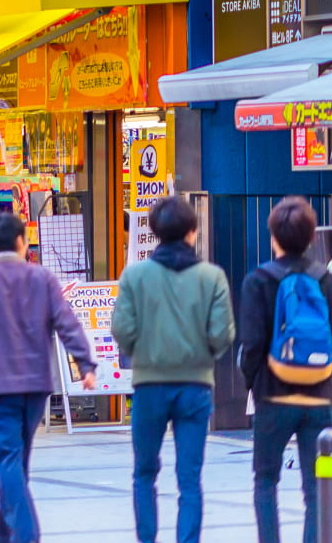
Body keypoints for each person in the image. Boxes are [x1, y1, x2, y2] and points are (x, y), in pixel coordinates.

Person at [0, 213, 97, 543]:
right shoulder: (41, 277)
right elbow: (67, 323)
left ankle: (25, 534)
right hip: (36, 384)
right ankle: (4, 530)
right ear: (20, 242)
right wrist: (85, 364)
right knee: (17, 457)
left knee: (9, 456)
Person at [112, 196, 233, 543]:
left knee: (144, 473)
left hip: (149, 384)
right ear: (192, 232)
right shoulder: (212, 276)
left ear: (154, 231)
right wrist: (203, 354)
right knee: (190, 478)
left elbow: (121, 328)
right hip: (195, 385)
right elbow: (222, 333)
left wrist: (142, 351)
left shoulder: (135, 275)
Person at [236, 196, 332, 543]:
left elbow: (253, 345)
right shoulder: (329, 282)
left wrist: (252, 382)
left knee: (265, 481)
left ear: (273, 237)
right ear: (313, 236)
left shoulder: (258, 281)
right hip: (318, 400)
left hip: (273, 397)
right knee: (318, 484)